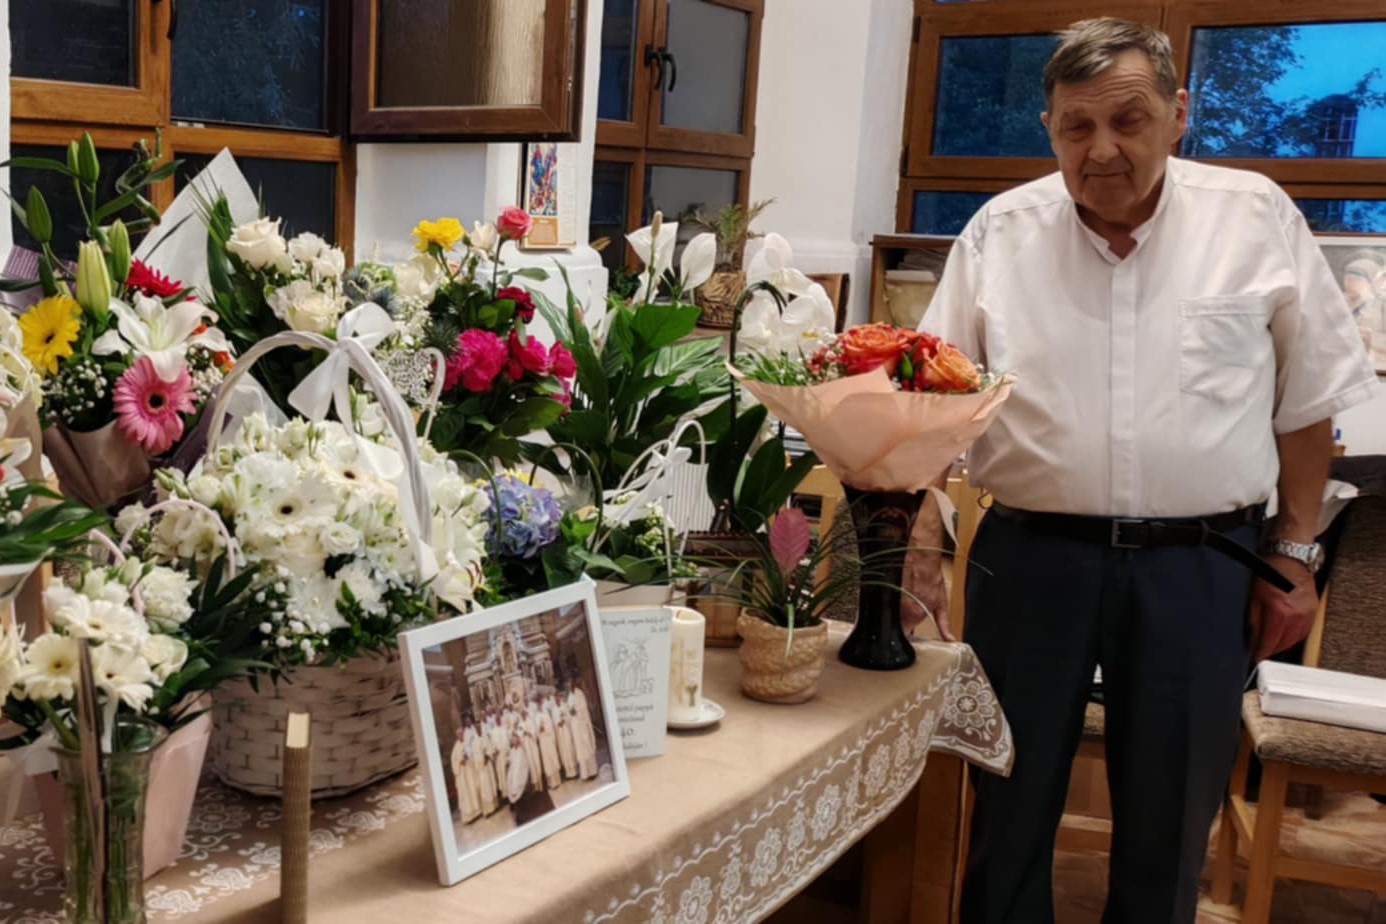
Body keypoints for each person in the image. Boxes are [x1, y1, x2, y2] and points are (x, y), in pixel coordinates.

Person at [921, 18, 1379, 924]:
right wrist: (919, 542)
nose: (1102, 150)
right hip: (1031, 561)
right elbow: (930, 404)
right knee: (1007, 803)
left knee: (1171, 825)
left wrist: (1295, 557)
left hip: (1200, 569)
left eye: (1128, 120)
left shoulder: (1253, 219)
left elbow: (1307, 409)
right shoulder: (999, 233)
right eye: (1076, 127)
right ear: (1050, 129)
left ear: (1178, 114)